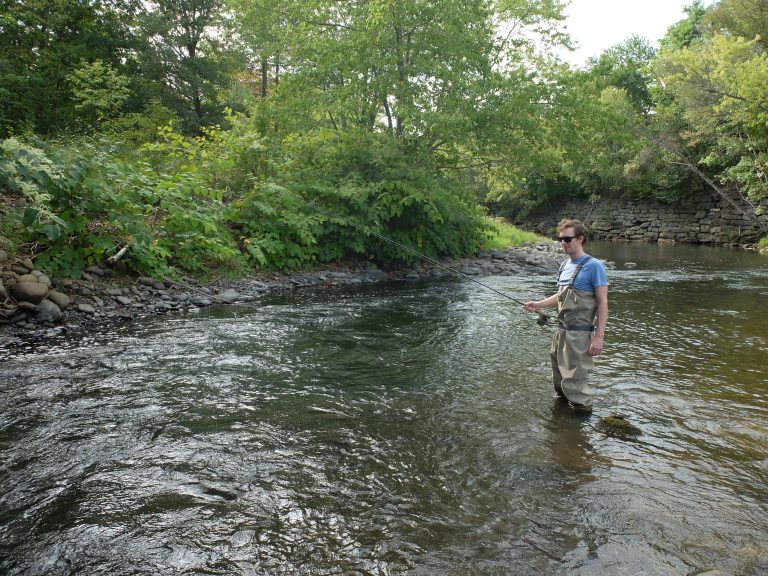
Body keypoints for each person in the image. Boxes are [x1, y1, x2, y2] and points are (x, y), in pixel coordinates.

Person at [523, 219, 608, 413]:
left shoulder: (595, 266)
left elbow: (603, 302)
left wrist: (599, 338)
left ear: (580, 239)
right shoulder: (564, 265)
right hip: (560, 333)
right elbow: (561, 297)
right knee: (559, 384)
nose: (563, 242)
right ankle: (560, 426)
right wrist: (538, 304)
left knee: (576, 388)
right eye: (560, 239)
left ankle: (578, 434)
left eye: (567, 239)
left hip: (580, 336)